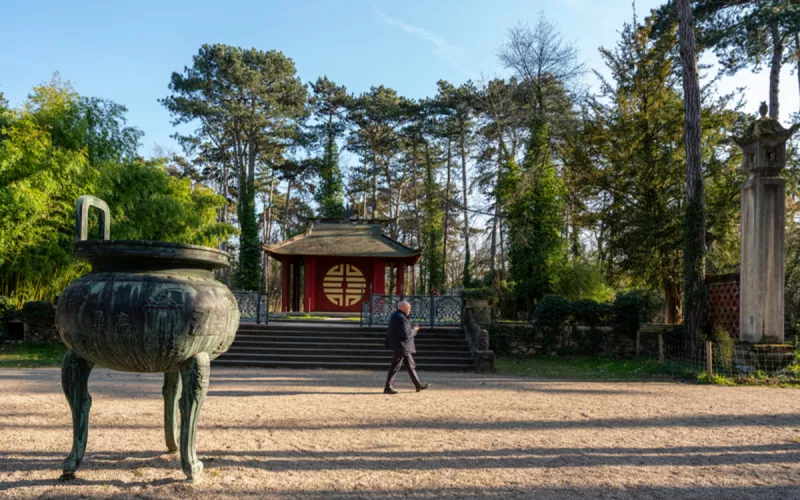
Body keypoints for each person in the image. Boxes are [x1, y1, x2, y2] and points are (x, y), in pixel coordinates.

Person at [383, 301, 430, 394]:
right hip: (402, 346)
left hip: (401, 346)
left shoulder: (396, 315)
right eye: (409, 308)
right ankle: (387, 387)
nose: (410, 310)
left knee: (410, 365)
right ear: (404, 308)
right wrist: (415, 330)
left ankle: (418, 385)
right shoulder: (401, 318)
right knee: (395, 366)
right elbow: (406, 334)